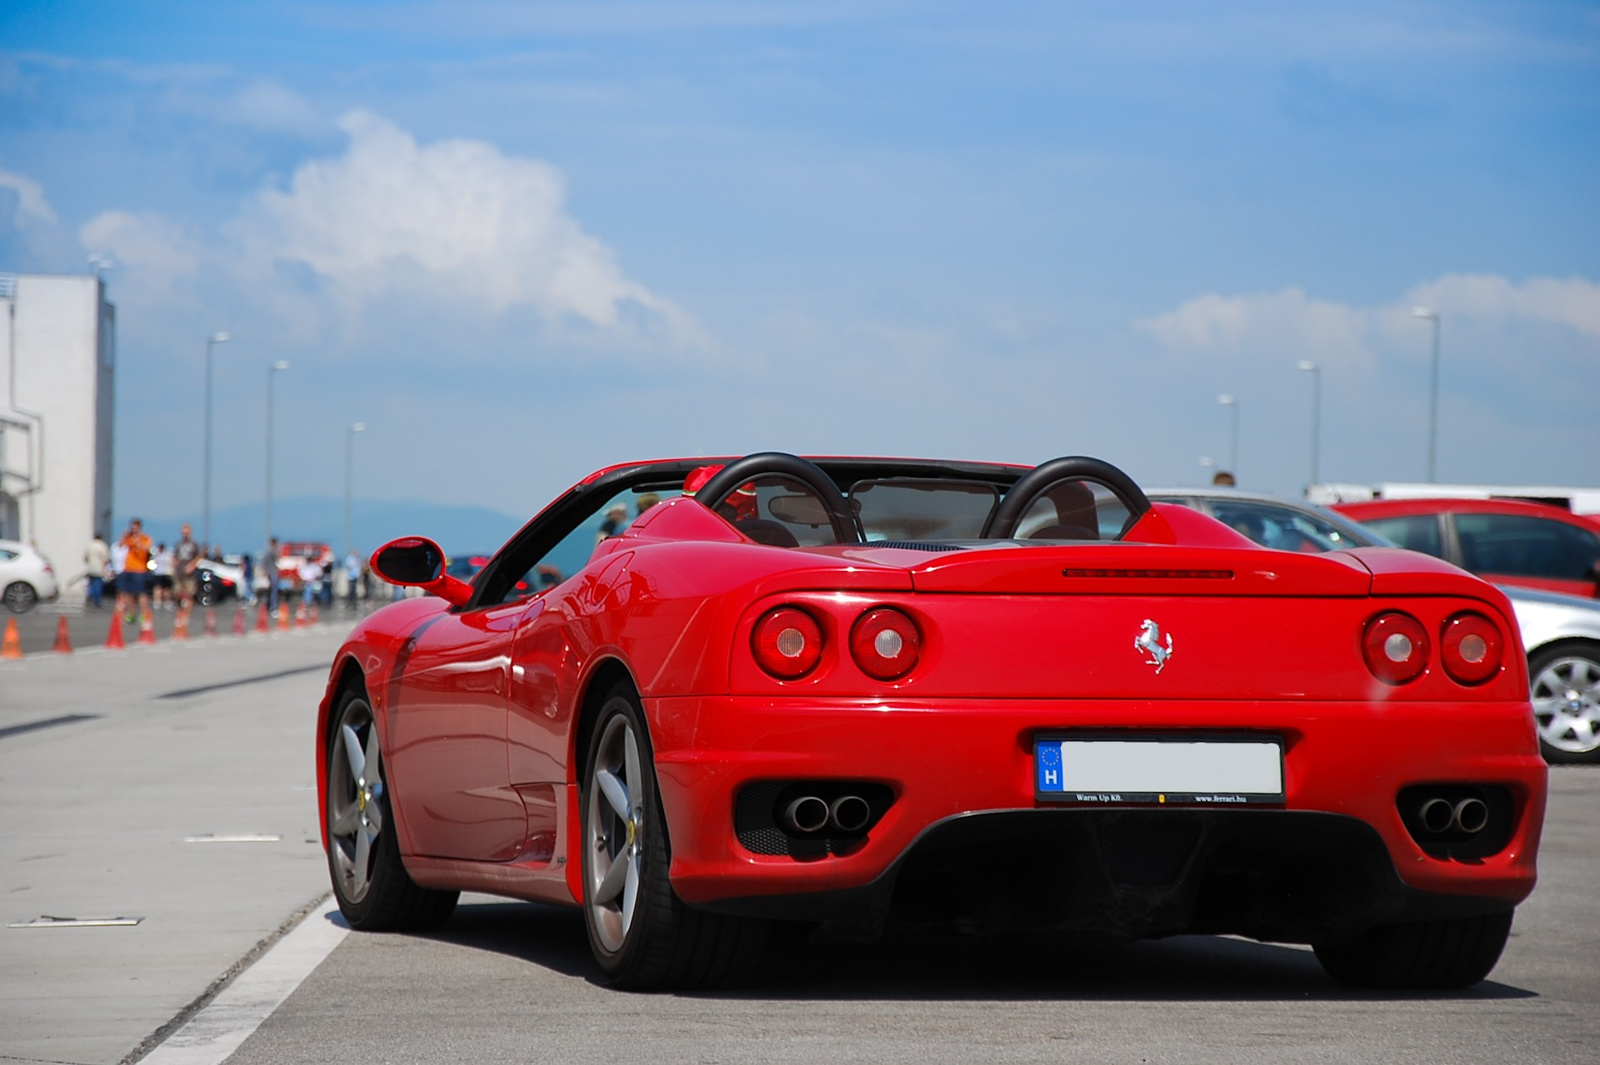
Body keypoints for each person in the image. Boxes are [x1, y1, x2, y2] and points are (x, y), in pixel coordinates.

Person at [117, 518, 154, 623]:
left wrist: (137, 542)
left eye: (136, 527)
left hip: (140, 569)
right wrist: (124, 535)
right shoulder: (129, 538)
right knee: (128, 593)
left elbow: (147, 548)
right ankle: (131, 614)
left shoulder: (145, 538)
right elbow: (120, 544)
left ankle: (143, 614)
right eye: (132, 527)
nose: (134, 529)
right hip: (128, 568)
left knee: (141, 594)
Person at [173, 523, 201, 613]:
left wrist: (192, 566)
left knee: (189, 594)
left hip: (189, 574)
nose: (185, 533)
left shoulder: (194, 544)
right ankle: (181, 611)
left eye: (186, 531)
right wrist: (174, 568)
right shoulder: (178, 544)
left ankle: (186, 616)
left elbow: (198, 557)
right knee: (177, 593)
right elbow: (175, 557)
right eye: (183, 532)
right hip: (179, 572)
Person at [84, 531, 110, 608]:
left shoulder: (90, 546)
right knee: (98, 584)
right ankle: (97, 600)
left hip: (91, 568)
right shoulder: (103, 546)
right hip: (99, 568)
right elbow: (105, 559)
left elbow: (85, 558)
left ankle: (89, 595)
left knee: (91, 583)